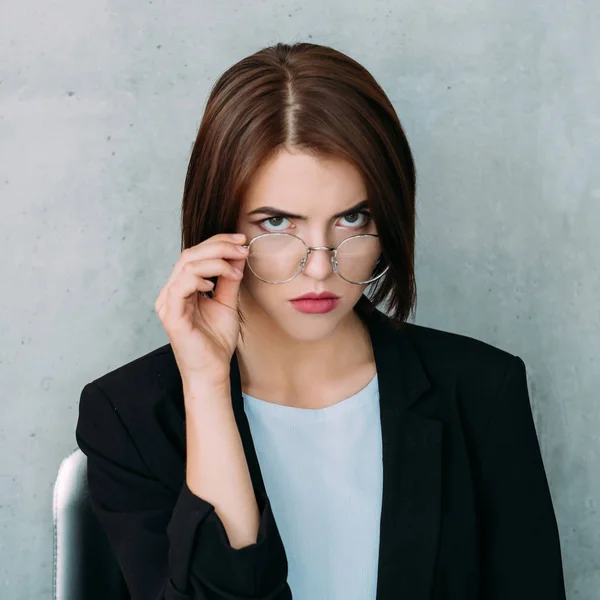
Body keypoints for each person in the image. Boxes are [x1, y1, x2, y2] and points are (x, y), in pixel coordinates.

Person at [75, 42, 567, 600]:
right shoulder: (128, 415)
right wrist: (207, 388)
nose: (319, 266)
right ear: (219, 225)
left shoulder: (480, 389)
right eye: (278, 221)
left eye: (352, 218)